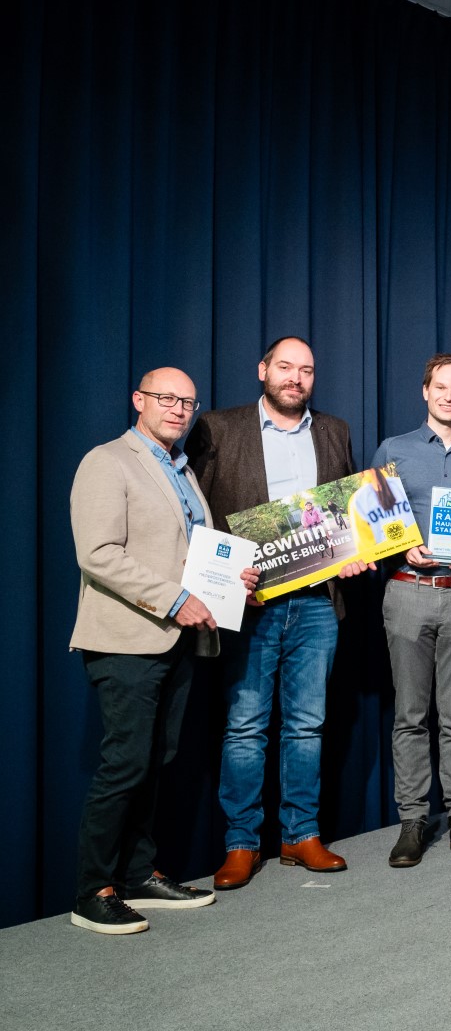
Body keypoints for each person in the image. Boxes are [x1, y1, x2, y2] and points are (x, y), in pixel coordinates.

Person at [67, 369, 258, 934]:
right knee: (125, 763)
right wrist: (176, 599)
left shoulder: (183, 471)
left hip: (177, 640)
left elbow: (192, 555)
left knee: (155, 761)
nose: (178, 409)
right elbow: (98, 553)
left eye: (187, 402)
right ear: (139, 400)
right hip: (126, 638)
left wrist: (232, 583)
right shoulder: (107, 461)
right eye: (166, 398)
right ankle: (91, 891)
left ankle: (136, 874)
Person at [188, 336, 367, 889]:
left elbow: (347, 514)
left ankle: (300, 835)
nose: (296, 378)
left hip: (316, 603)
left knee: (307, 726)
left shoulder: (334, 431)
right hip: (251, 603)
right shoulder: (218, 428)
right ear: (262, 369)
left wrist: (354, 553)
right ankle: (241, 843)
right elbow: (194, 512)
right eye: (285, 367)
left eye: (306, 370)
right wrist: (222, 579)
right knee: (245, 727)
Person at [371, 354, 451, 867]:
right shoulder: (393, 449)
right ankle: (412, 821)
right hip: (407, 592)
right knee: (410, 715)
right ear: (426, 391)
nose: (449, 396)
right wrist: (401, 547)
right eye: (441, 387)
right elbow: (373, 521)